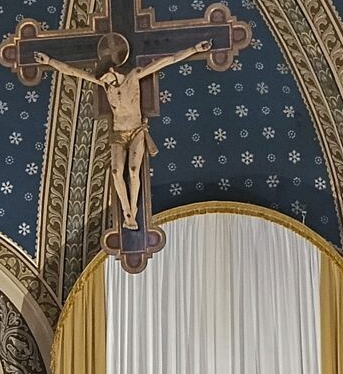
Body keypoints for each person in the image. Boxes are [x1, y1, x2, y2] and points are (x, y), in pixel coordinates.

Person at [33, 34, 211, 230]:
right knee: (117, 172)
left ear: (111, 70)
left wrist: (195, 49)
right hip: (118, 133)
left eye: (105, 78)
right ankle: (126, 211)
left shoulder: (134, 76)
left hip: (136, 131)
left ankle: (132, 211)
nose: (104, 82)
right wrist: (49, 61)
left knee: (133, 171)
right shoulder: (105, 83)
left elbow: (168, 61)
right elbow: (72, 72)